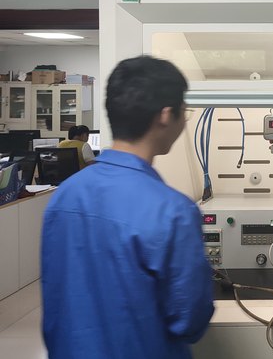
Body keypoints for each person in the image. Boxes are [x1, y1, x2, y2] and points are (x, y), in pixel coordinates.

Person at [42, 55, 215, 359]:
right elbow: (190, 320)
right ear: (165, 116)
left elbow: (56, 300)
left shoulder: (64, 197)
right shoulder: (172, 211)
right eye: (184, 112)